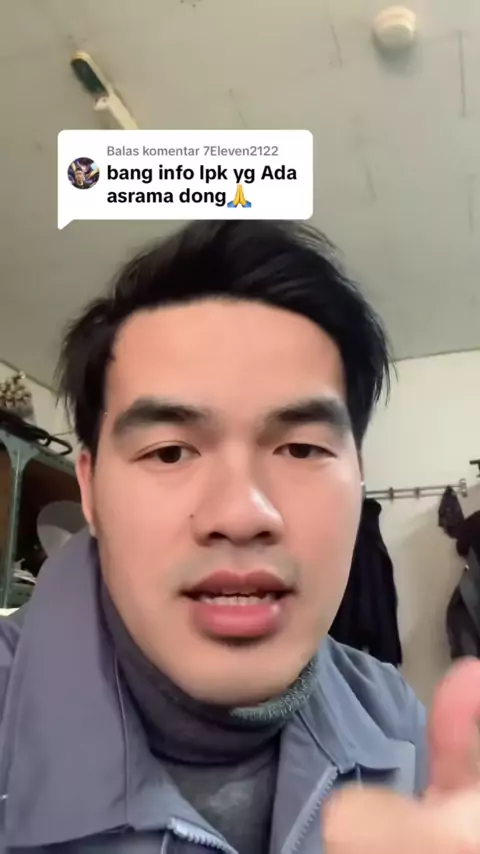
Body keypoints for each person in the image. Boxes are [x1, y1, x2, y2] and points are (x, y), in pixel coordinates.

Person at [0, 220, 478, 854]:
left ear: (358, 477)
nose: (241, 513)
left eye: (301, 448)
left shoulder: (393, 717)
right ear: (89, 488)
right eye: (170, 452)